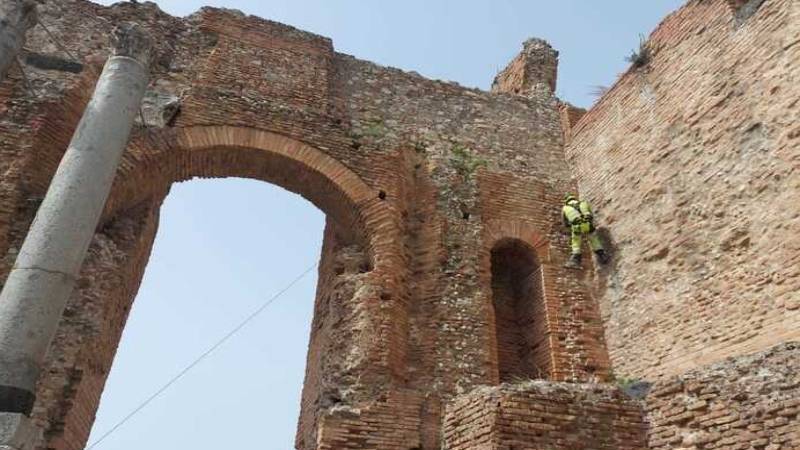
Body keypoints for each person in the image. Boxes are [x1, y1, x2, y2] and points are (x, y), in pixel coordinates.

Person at [562, 193, 608, 268]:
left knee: (576, 242)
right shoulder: (583, 203)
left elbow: (565, 223)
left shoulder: (565, 208)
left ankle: (575, 261)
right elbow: (591, 214)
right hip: (588, 224)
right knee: (594, 240)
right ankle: (602, 255)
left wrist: (571, 226)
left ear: (566, 200)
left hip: (577, 226)